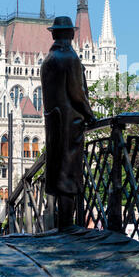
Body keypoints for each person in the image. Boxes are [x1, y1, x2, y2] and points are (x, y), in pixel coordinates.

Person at [41, 16, 97, 229]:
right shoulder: (69, 58)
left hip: (53, 125)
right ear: (71, 34)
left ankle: (60, 225)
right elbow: (77, 94)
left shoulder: (48, 60)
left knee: (57, 174)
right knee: (69, 177)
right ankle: (67, 227)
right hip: (70, 125)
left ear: (54, 34)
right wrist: (90, 115)